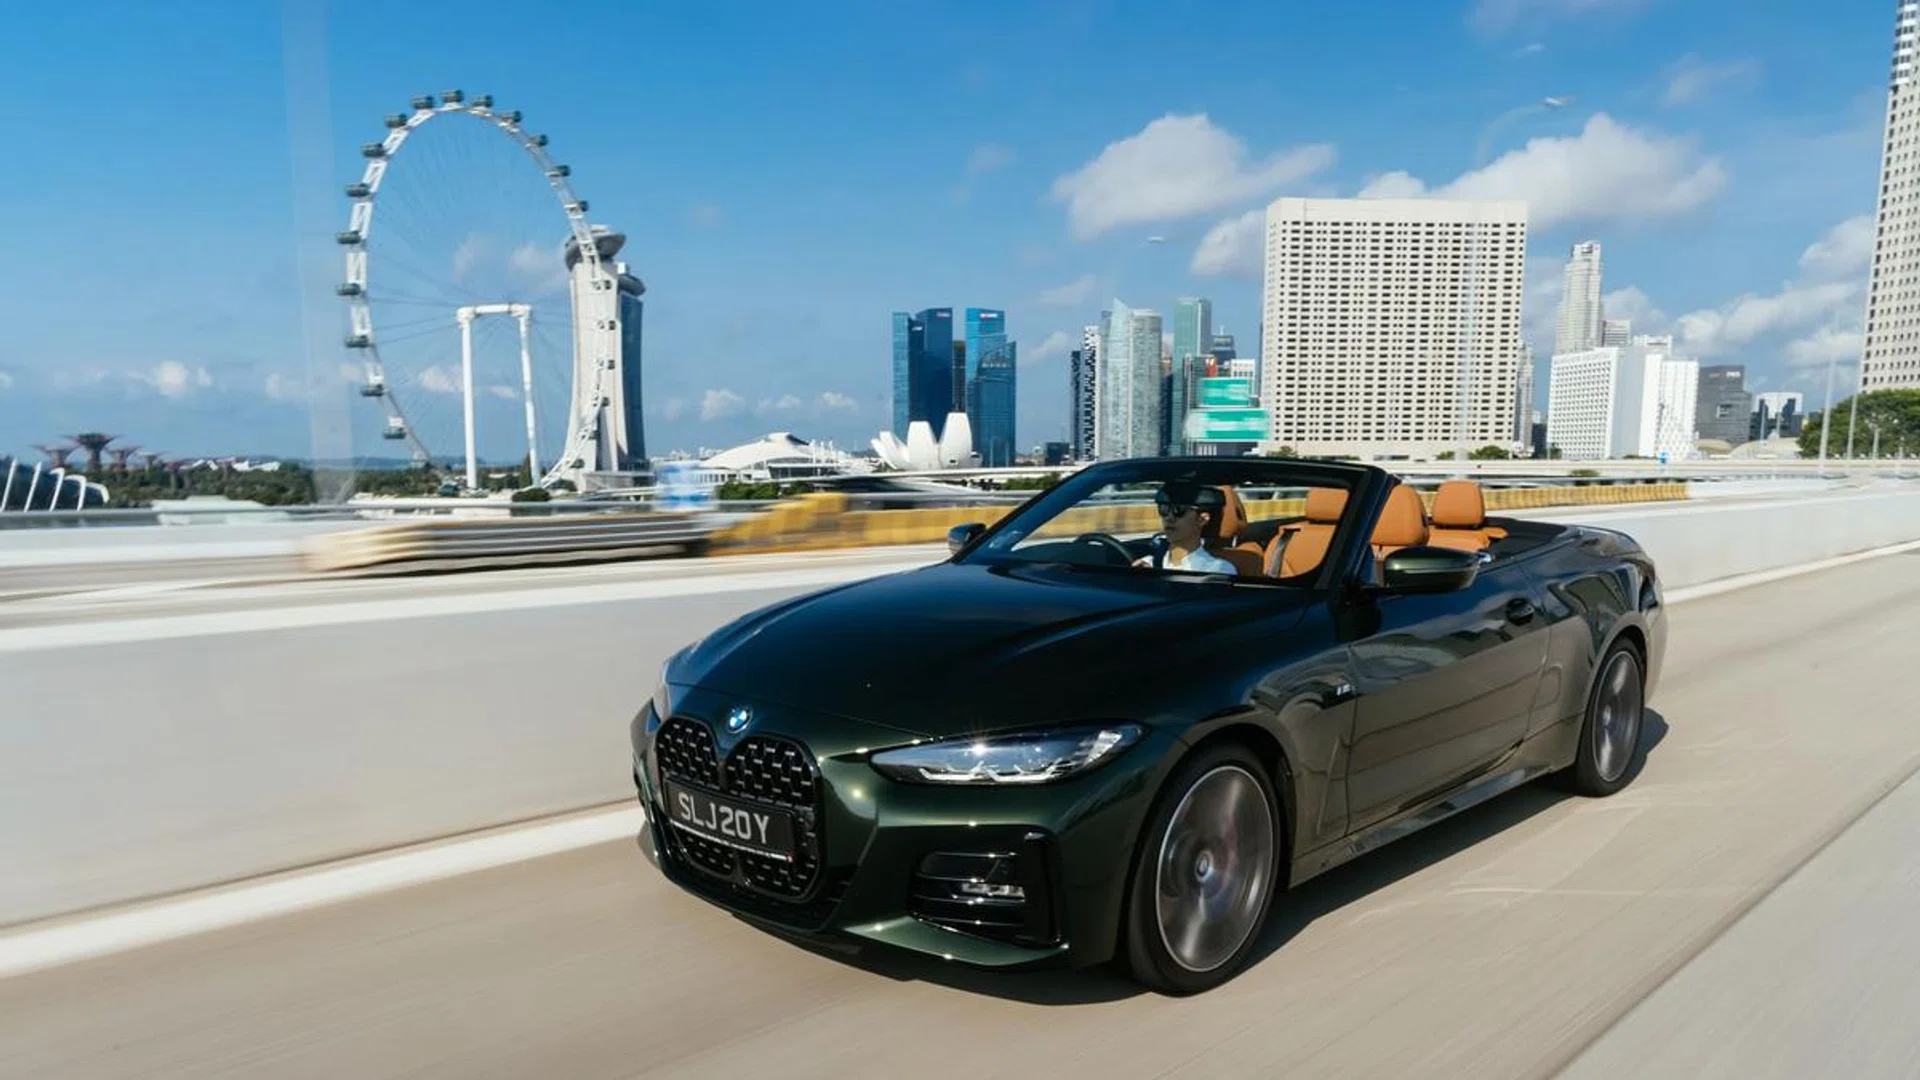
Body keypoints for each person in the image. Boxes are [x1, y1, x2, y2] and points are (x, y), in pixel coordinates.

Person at [1136, 482, 1237, 574]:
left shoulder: (1218, 569)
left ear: (1202, 520)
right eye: (1164, 509)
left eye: (1179, 510)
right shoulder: (1148, 563)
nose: (1169, 518)